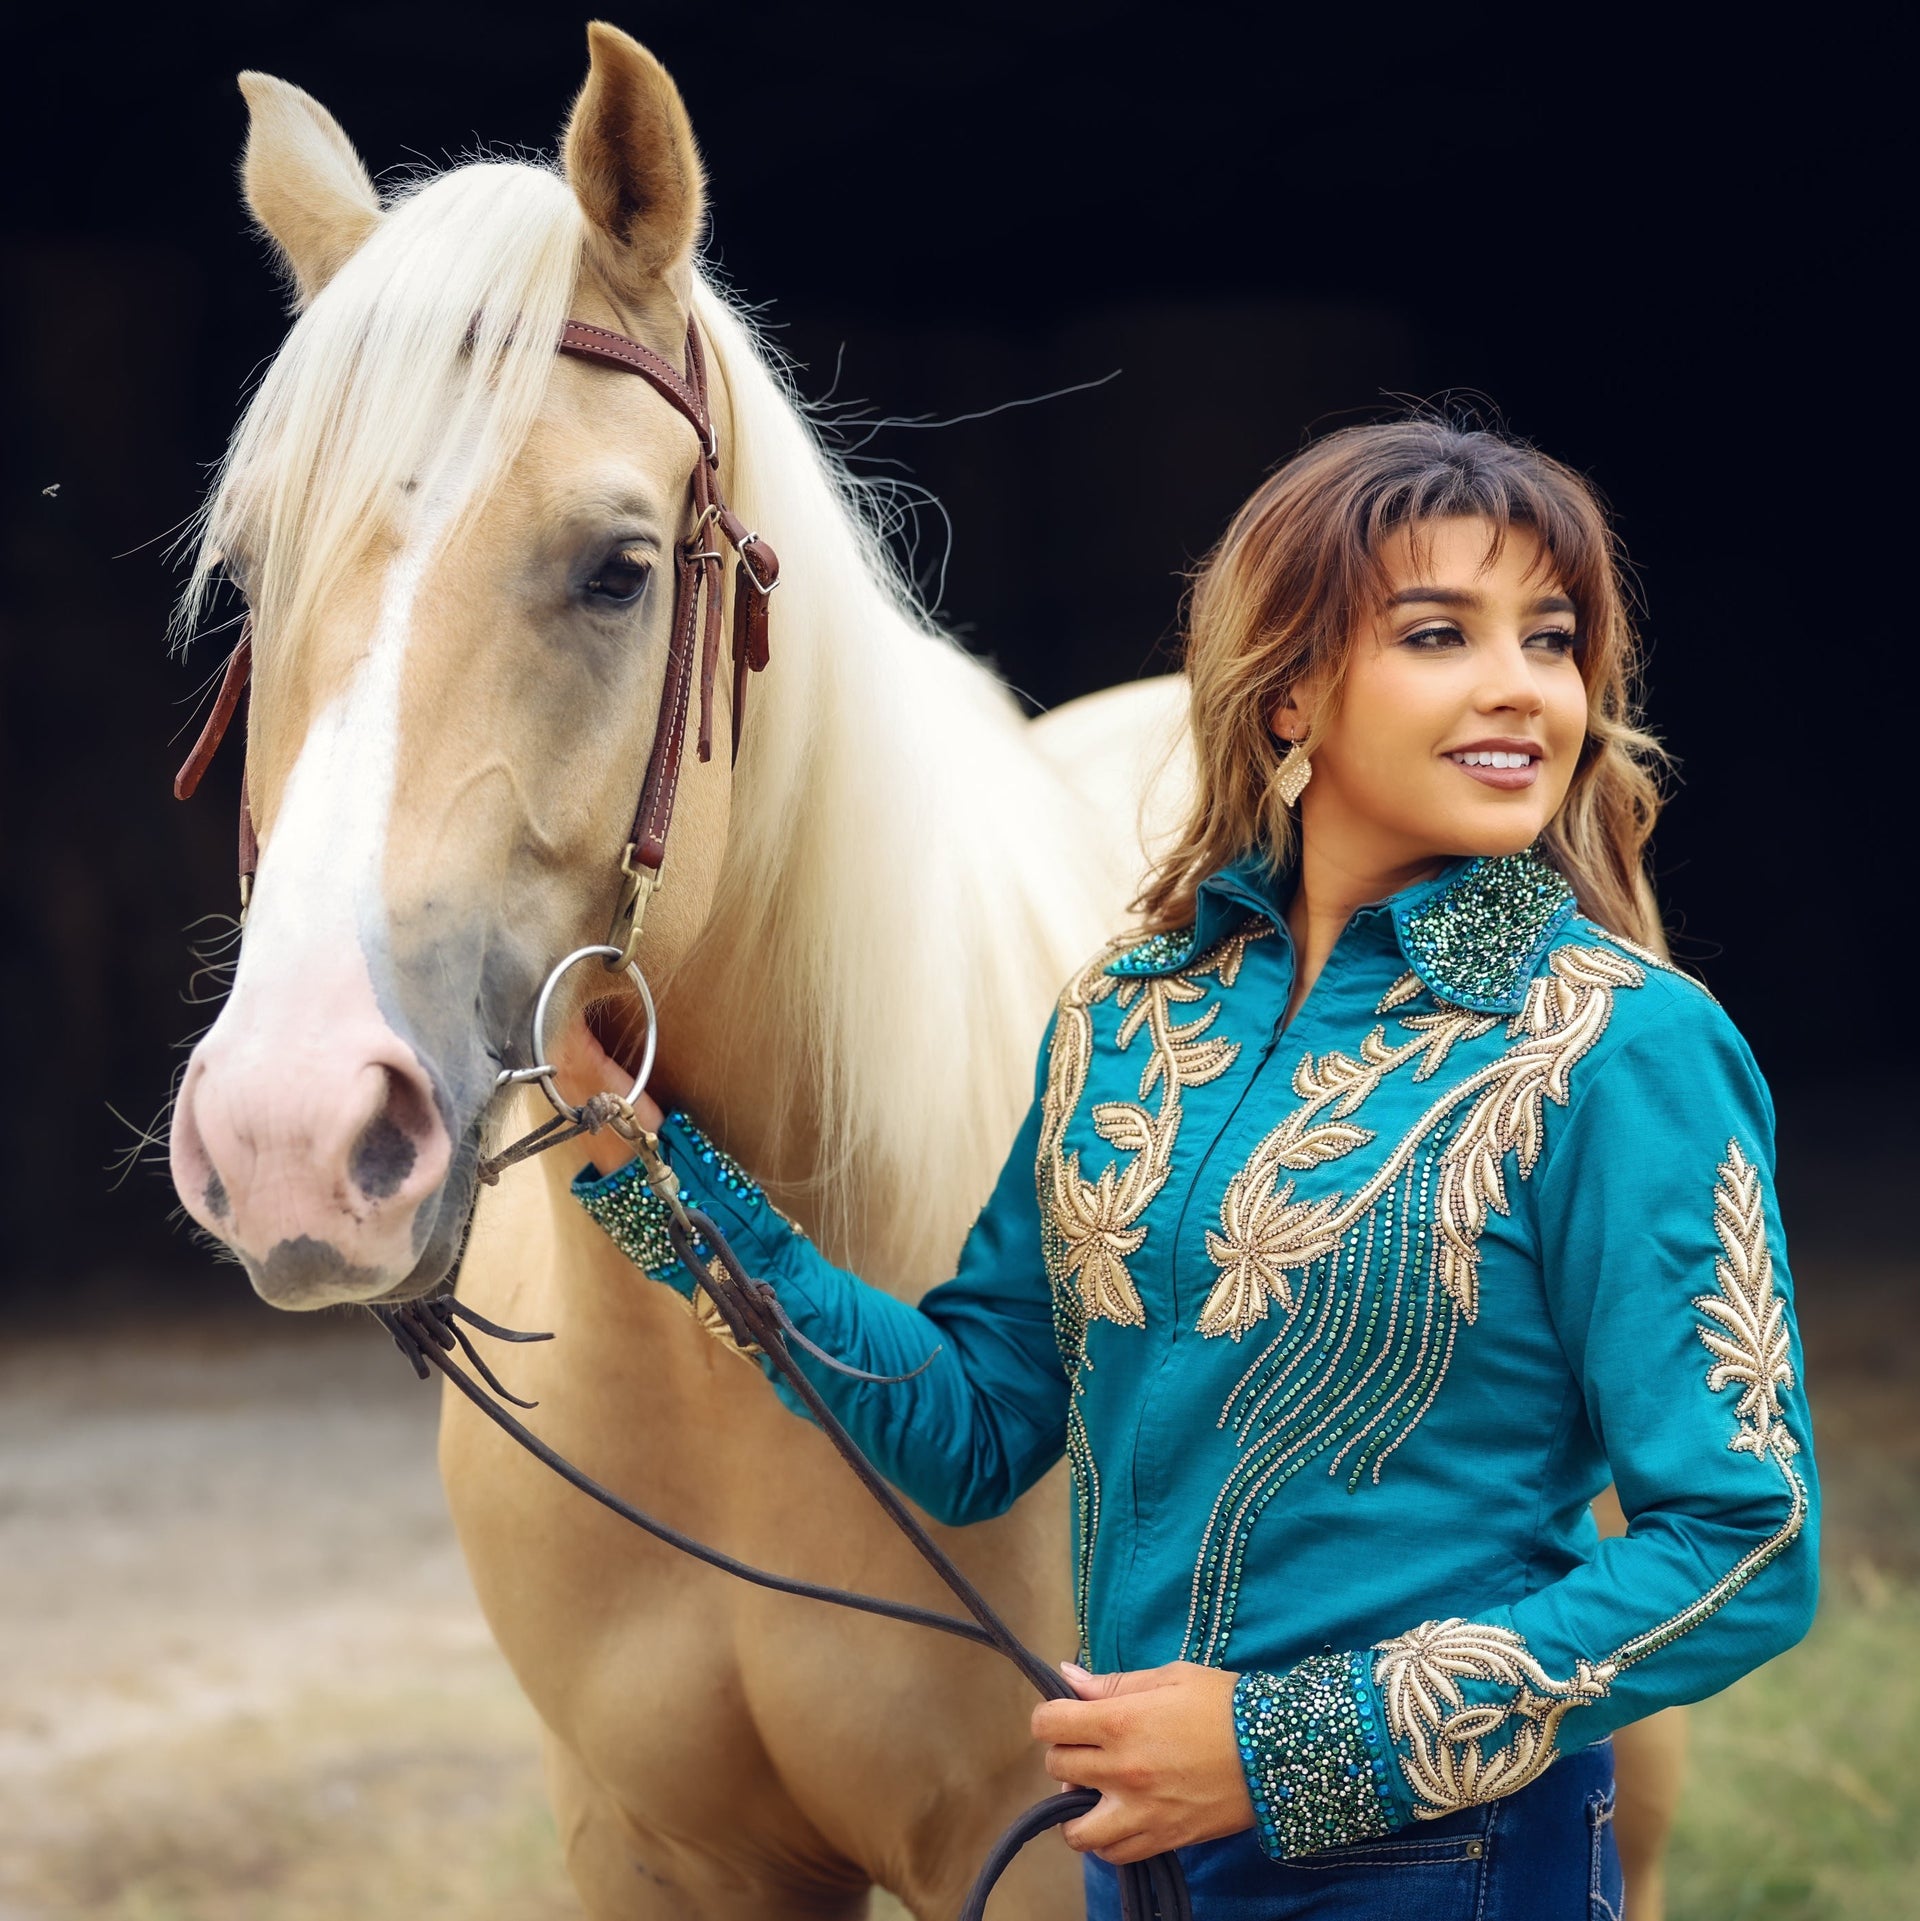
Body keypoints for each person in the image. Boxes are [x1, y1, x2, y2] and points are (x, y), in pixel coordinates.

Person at [556, 418, 1818, 1917]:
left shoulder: (1622, 1047)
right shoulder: (1129, 1014)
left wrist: (1279, 1750)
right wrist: (664, 1179)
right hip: (1144, 1869)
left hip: (1446, 1868)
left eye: (1551, 640)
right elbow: (971, 1425)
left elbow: (1747, 1539)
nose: (1519, 687)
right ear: (1288, 692)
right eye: (1439, 631)